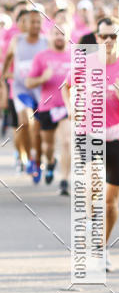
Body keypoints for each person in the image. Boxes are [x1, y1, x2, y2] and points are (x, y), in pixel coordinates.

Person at [65, 17, 119, 272]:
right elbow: (67, 87)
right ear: (96, 38)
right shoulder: (85, 63)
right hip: (87, 132)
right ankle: (91, 221)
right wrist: (71, 109)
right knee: (93, 182)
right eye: (103, 37)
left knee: (111, 201)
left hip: (117, 135)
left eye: (113, 36)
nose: (108, 41)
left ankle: (101, 248)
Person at [25, 20, 71, 194]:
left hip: (67, 107)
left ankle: (64, 181)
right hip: (47, 106)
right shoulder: (42, 56)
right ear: (50, 36)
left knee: (67, 142)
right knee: (48, 146)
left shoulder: (75, 57)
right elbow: (29, 82)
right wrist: (42, 78)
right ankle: (51, 162)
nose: (59, 37)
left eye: (63, 33)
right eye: (56, 33)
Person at [2, 8, 47, 182]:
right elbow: (7, 60)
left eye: (38, 22)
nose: (35, 25)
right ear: (24, 24)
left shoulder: (45, 42)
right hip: (20, 89)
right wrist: (4, 79)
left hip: (39, 90)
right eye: (32, 22)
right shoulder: (16, 40)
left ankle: (37, 160)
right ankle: (28, 160)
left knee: (37, 130)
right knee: (24, 122)